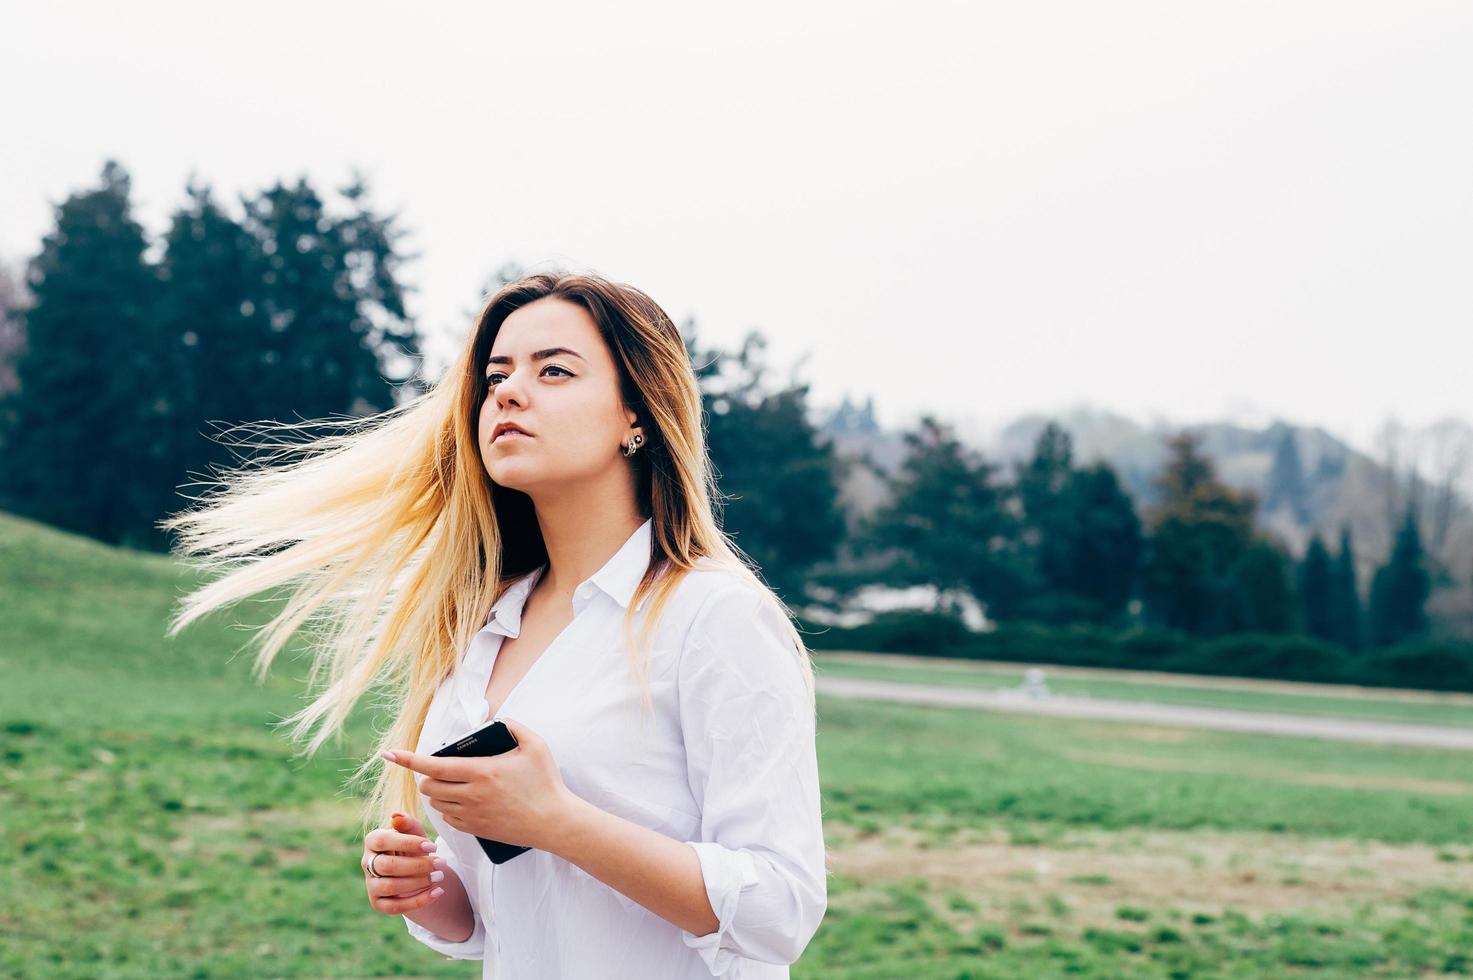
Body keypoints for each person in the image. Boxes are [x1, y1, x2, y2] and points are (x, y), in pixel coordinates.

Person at [161, 270, 829, 978]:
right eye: (496, 375)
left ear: (636, 413)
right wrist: (428, 889)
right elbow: (506, 909)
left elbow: (778, 911)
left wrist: (557, 820)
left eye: (555, 371)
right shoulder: (481, 626)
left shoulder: (713, 615)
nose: (508, 392)